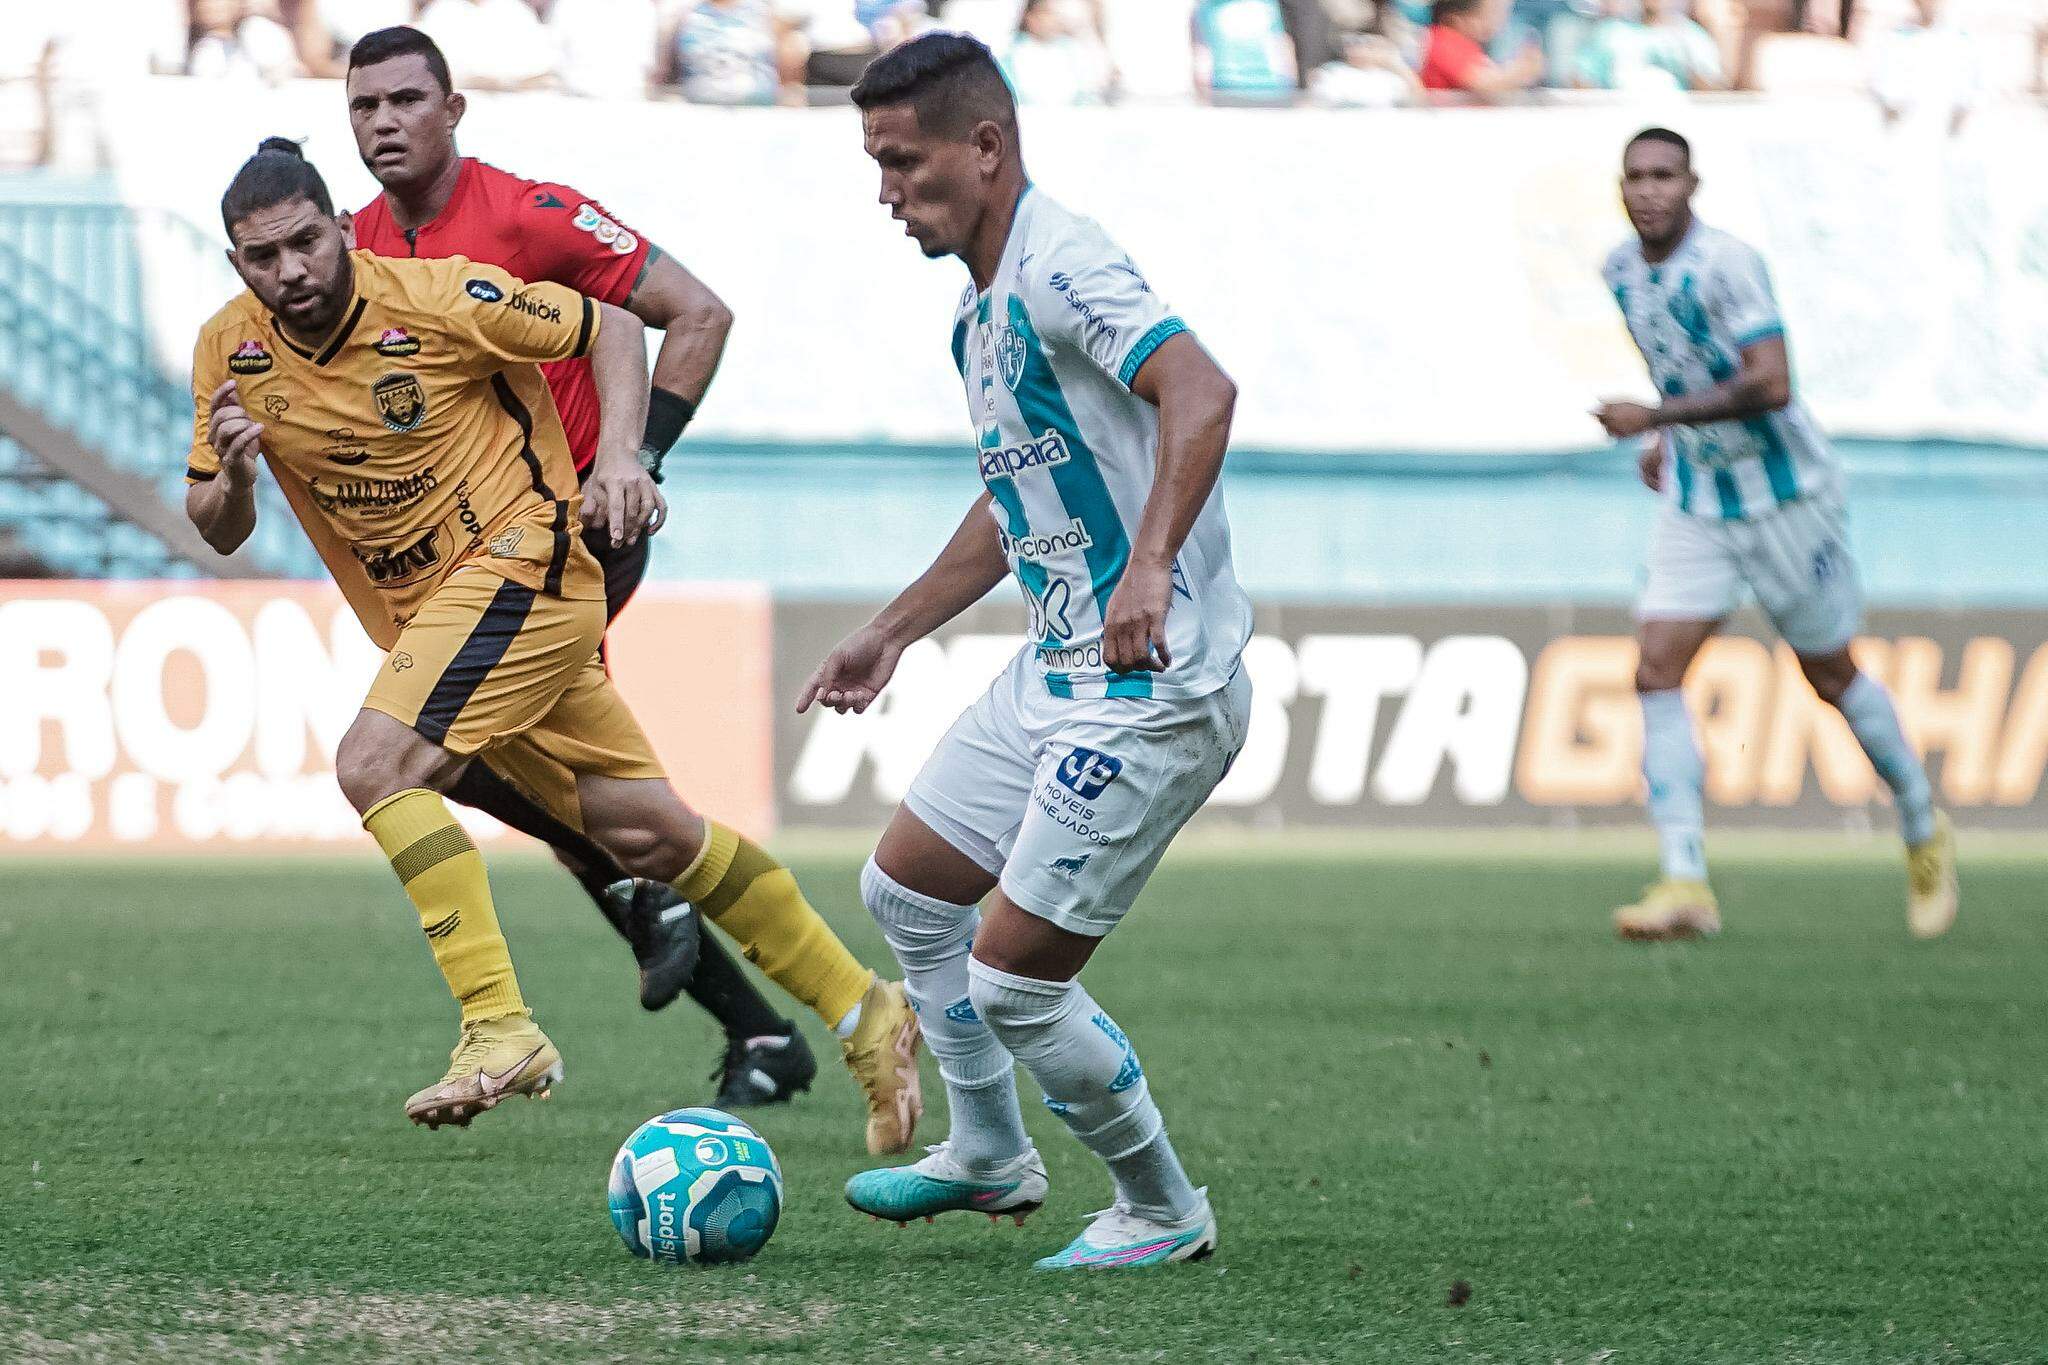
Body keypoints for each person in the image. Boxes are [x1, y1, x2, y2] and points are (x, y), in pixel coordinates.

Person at [186, 139, 924, 1149]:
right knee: (651, 836)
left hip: (523, 566)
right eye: (261, 259)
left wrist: (620, 454)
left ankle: (497, 1024)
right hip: (445, 621)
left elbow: (612, 324)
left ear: (337, 227)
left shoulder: (444, 299)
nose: (290, 273)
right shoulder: (229, 351)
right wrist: (229, 479)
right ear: (238, 265)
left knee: (375, 764)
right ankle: (865, 1011)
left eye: (306, 244)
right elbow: (215, 522)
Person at [807, 32, 1253, 1269]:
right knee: (904, 889)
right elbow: (1016, 508)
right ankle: (989, 1151)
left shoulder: (1064, 264)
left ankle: (1163, 1209)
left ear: (986, 147)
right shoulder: (978, 311)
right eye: (875, 163)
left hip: (1150, 690)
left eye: (901, 162)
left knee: (1014, 983)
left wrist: (1152, 561)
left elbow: (1201, 391)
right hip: (1052, 672)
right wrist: (889, 631)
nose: (886, 191)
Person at [344, 26, 817, 1109]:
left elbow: (696, 313)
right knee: (550, 793)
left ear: (453, 110)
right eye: (364, 106)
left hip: (573, 544)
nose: (385, 122)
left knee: (439, 759)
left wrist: (632, 461)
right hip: (465, 569)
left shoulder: (532, 215)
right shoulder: (353, 249)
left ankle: (714, 957)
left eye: (406, 99)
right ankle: (765, 1031)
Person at [1594, 127, 1959, 942]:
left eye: (1665, 175)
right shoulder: (1619, 270)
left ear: (1693, 184)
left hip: (1789, 498)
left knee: (1830, 673)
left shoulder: (1728, 264)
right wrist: (1667, 437)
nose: (1649, 189)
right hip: (1699, 498)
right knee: (1656, 667)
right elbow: (1682, 365)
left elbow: (1771, 382)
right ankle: (1685, 878)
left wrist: (1652, 417)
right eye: (1636, 176)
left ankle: (1921, 821)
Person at [1575, 0, 1725, 90]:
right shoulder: (1611, 31)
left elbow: (1712, 91)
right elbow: (1581, 79)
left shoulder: (1691, 35)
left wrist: (1684, 58)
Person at [1419, 0, 1544, 95]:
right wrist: (1522, 71)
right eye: (1490, 13)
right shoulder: (1445, 41)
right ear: (1454, 19)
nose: (1497, 20)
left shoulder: (1467, 46)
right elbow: (1485, 83)